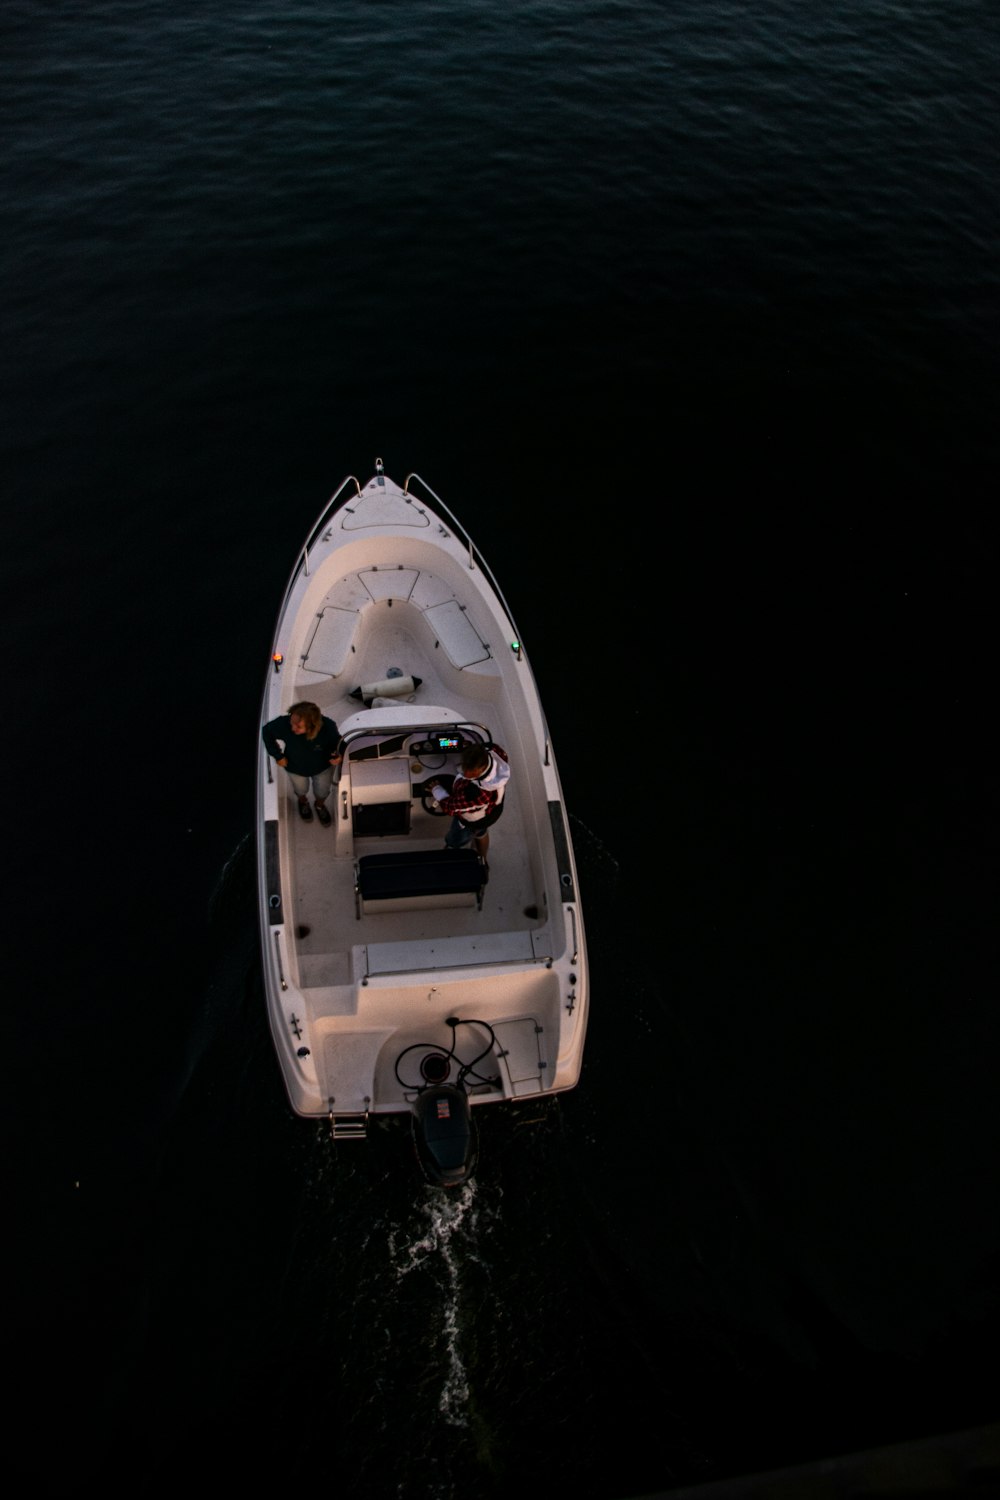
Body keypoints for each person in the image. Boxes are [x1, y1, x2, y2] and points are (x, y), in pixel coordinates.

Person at [426, 742, 511, 863]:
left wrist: (436, 789)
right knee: (481, 832)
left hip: (472, 822)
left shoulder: (475, 794)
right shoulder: (496, 752)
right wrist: (448, 742)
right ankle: (483, 858)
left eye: (470, 771)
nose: (465, 773)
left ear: (481, 769)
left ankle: (454, 849)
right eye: (464, 767)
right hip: (491, 811)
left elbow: (450, 807)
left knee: (454, 839)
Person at [262, 701, 342, 826]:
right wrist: (278, 755)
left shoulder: (328, 727)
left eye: (298, 726)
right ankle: (303, 802)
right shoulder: (284, 724)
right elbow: (266, 731)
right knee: (300, 790)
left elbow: (339, 745)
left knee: (323, 792)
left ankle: (319, 806)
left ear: (312, 726)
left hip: (322, 768)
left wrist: (338, 757)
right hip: (295, 767)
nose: (293, 728)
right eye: (291, 723)